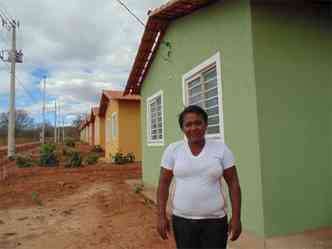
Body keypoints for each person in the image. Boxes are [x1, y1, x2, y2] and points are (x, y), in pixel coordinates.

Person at [157, 105, 242, 249]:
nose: (194, 128)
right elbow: (163, 184)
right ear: (182, 128)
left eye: (198, 123)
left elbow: (233, 183)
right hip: (182, 221)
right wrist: (160, 216)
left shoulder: (221, 149)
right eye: (188, 124)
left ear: (206, 125)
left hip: (215, 222)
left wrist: (236, 217)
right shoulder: (173, 150)